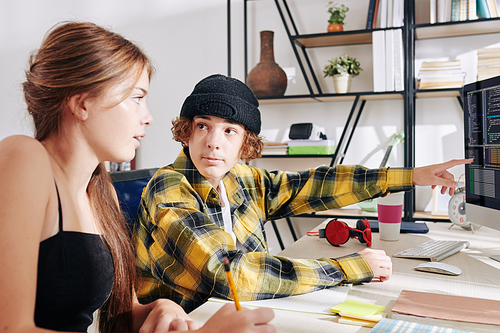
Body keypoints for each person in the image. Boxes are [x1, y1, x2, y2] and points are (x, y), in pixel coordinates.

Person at [0, 23, 275, 333]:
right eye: (136, 98)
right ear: (82, 103)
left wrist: (156, 310)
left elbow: (119, 317)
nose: (148, 116)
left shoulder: (100, 192)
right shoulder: (23, 158)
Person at [133, 73, 472, 312]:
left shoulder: (240, 178)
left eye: (230, 131)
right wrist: (347, 268)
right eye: (202, 125)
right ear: (187, 131)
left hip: (238, 316)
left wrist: (411, 176)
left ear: (245, 145)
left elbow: (311, 185)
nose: (213, 141)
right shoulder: (170, 187)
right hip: (190, 323)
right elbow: (231, 275)